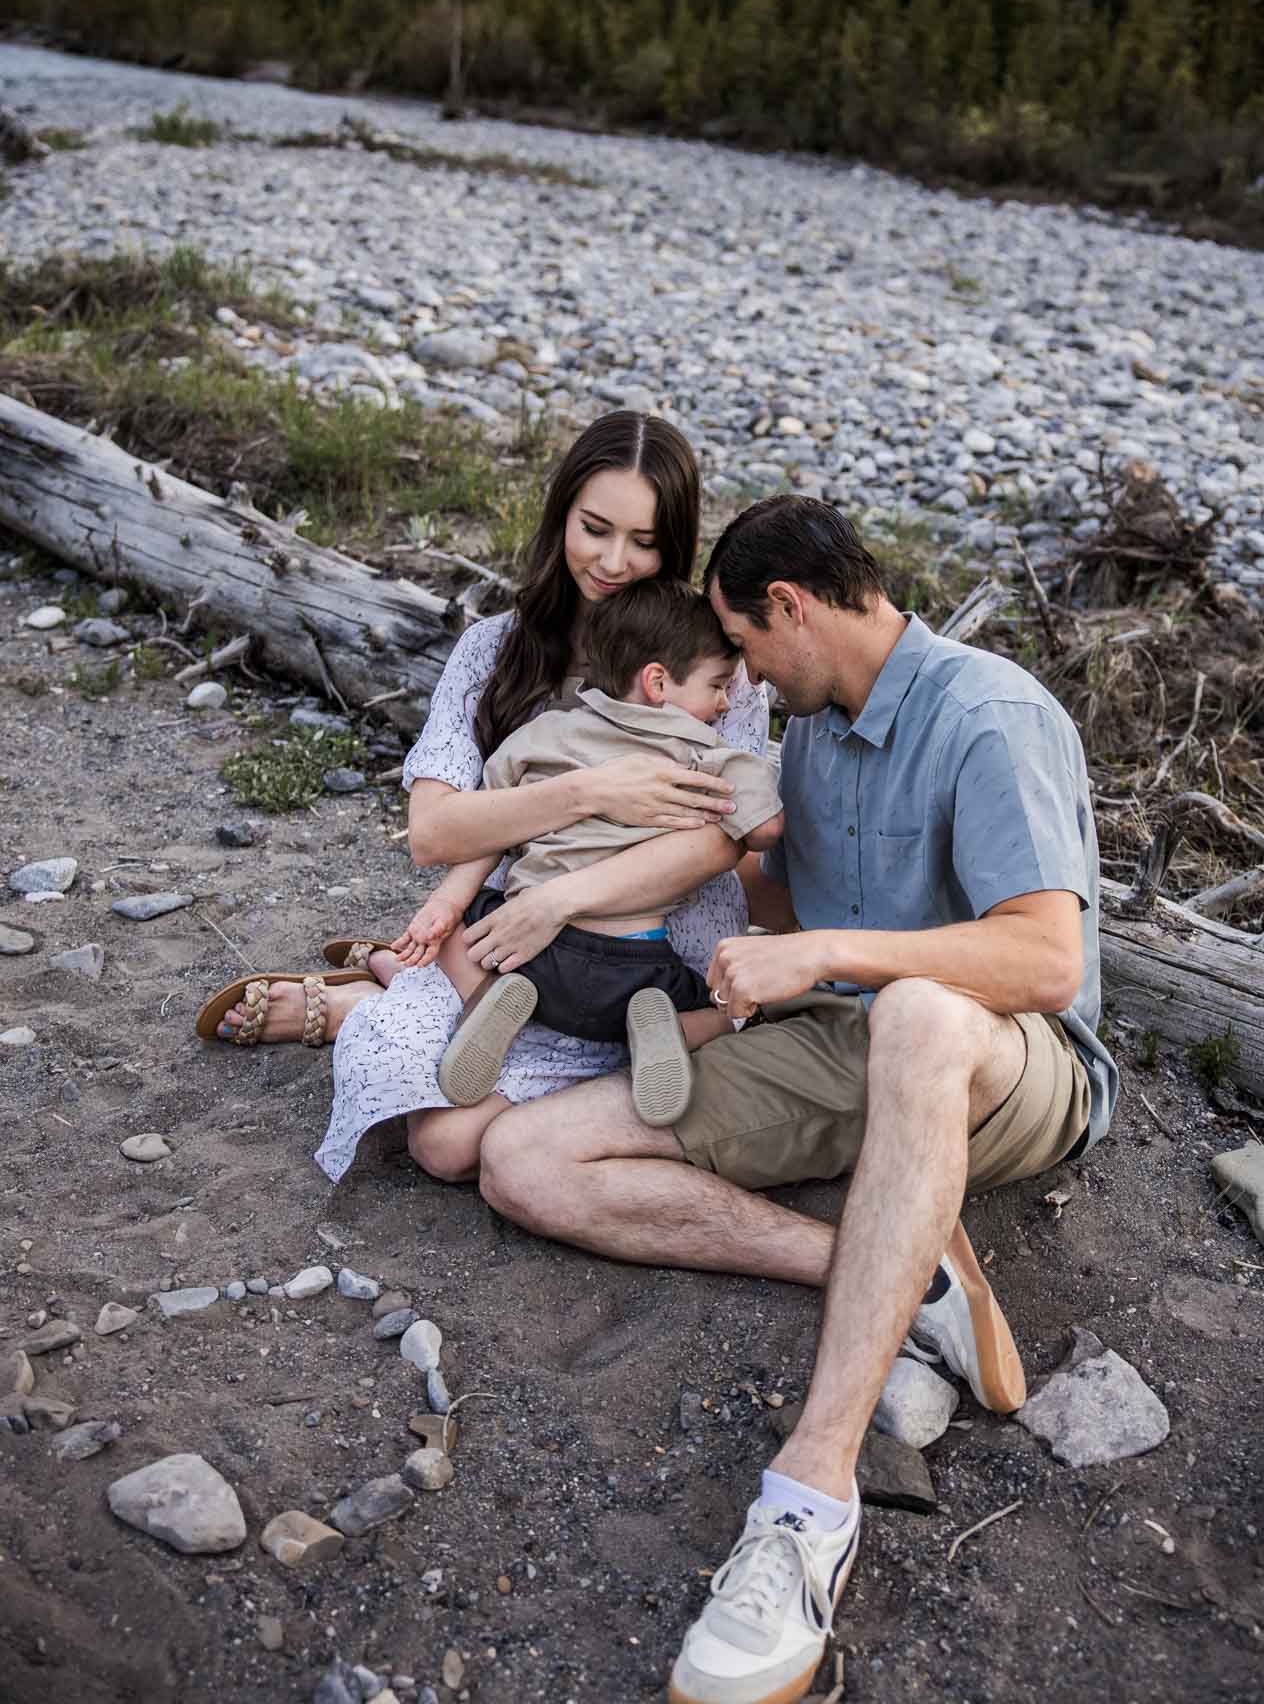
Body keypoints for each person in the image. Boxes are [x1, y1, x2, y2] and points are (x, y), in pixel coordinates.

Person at [466, 494, 1119, 1704]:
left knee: (919, 1011)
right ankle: (909, 1268)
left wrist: (824, 953)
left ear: (791, 608)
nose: (748, 679)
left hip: (1010, 1064)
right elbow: (782, 911)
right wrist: (692, 844)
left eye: (749, 647)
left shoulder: (989, 713)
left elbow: (1045, 963)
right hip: (840, 1042)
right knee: (523, 1160)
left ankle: (808, 1503)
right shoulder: (809, 729)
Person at [193, 411, 770, 1188]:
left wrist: (561, 900)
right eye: (594, 528)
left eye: (644, 541)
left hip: (656, 935)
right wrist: (589, 790)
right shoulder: (496, 648)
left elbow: (720, 841)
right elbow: (435, 833)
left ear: (676, 542)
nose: (613, 561)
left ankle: (375, 993)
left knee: (453, 1145)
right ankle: (390, 992)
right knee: (441, 1146)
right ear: (559, 513)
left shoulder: (709, 663)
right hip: (517, 947)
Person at [393, 576, 783, 1126]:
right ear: (658, 683)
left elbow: (496, 827)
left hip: (533, 953)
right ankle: (659, 1027)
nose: (724, 703)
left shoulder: (548, 734)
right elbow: (763, 831)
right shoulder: (704, 751)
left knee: (467, 933)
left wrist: (448, 903)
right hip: (636, 960)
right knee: (721, 1008)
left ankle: (494, 999)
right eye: (718, 686)